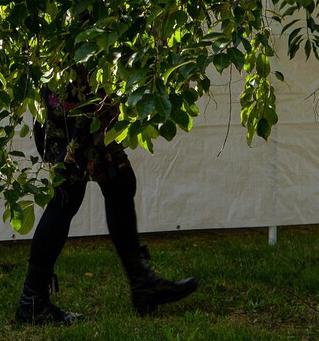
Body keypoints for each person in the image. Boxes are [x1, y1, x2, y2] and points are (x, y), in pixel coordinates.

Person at [15, 81, 198, 324]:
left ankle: (142, 284)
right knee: (68, 194)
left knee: (118, 181)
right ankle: (32, 301)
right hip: (75, 96)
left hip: (85, 95)